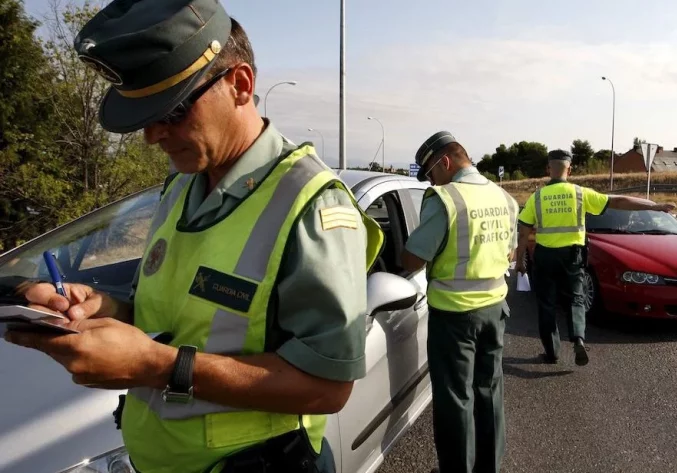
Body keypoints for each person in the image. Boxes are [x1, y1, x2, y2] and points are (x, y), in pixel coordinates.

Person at [2, 1, 384, 472]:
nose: (153, 136)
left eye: (174, 110)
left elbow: (328, 388)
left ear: (240, 85)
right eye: (145, 116)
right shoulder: (182, 184)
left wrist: (157, 366)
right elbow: (175, 314)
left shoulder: (311, 204)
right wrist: (98, 305)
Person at [401, 131, 518, 473]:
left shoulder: (446, 199)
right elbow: (509, 252)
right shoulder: (504, 198)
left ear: (445, 162)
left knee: (455, 399)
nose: (432, 181)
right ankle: (489, 466)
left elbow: (413, 259)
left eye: (431, 173)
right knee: (489, 390)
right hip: (495, 310)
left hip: (455, 316)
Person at [515, 149, 675, 366]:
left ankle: (551, 352)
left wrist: (520, 262)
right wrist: (654, 207)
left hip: (545, 257)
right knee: (576, 298)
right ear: (569, 170)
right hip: (572, 256)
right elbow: (618, 201)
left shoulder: (538, 197)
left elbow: (523, 231)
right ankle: (578, 338)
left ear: (548, 169)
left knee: (547, 304)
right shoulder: (580, 193)